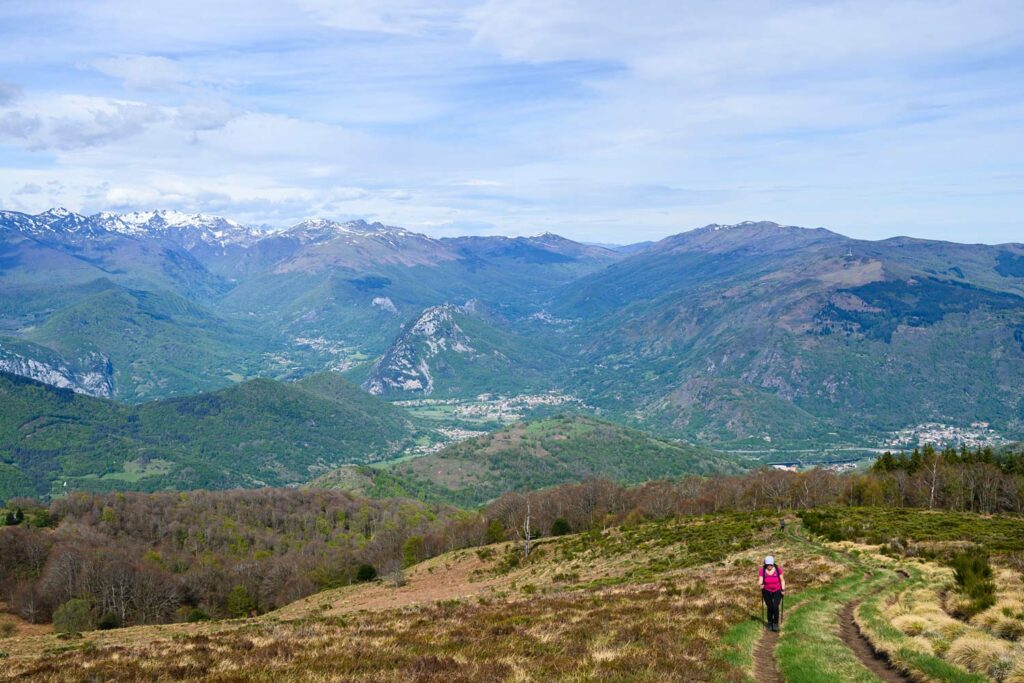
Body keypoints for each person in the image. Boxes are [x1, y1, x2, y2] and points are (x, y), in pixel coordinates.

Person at [759, 555, 785, 631]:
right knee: (770, 607)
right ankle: (770, 623)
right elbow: (760, 580)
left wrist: (783, 589)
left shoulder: (778, 569)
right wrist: (760, 584)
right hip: (766, 590)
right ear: (765, 564)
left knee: (775, 606)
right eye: (768, 564)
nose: (769, 566)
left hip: (777, 590)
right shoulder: (762, 570)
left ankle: (775, 623)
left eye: (771, 564)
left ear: (773, 563)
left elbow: (782, 580)